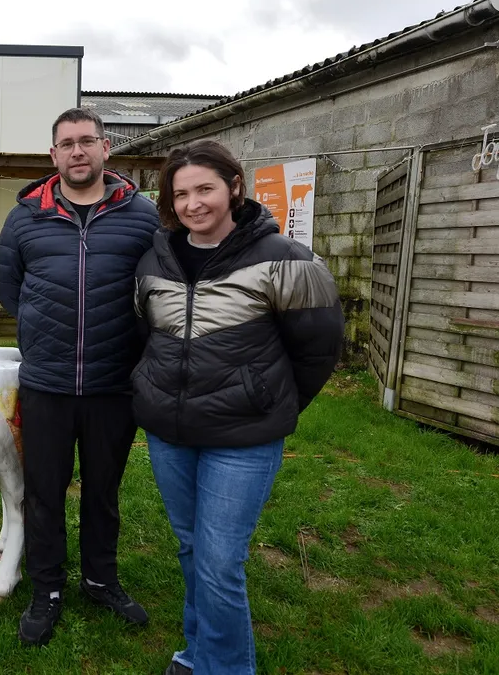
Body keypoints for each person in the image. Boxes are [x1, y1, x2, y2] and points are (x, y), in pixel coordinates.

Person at [132, 140, 345, 675]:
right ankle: (195, 653)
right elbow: (146, 333)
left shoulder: (285, 259)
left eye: (204, 188)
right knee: (191, 550)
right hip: (169, 434)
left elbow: (319, 348)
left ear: (234, 187)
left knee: (220, 562)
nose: (193, 204)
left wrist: (268, 400)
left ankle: (224, 668)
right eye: (180, 194)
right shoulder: (155, 258)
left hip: (244, 438)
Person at [0, 107, 160, 646]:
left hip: (115, 382)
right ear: (53, 155)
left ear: (106, 148)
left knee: (103, 489)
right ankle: (47, 589)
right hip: (46, 382)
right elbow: (12, 291)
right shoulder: (25, 217)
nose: (77, 152)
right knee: (43, 491)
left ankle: (99, 578)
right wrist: (45, 338)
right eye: (66, 144)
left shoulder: (142, 215)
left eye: (87, 141)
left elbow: (156, 287)